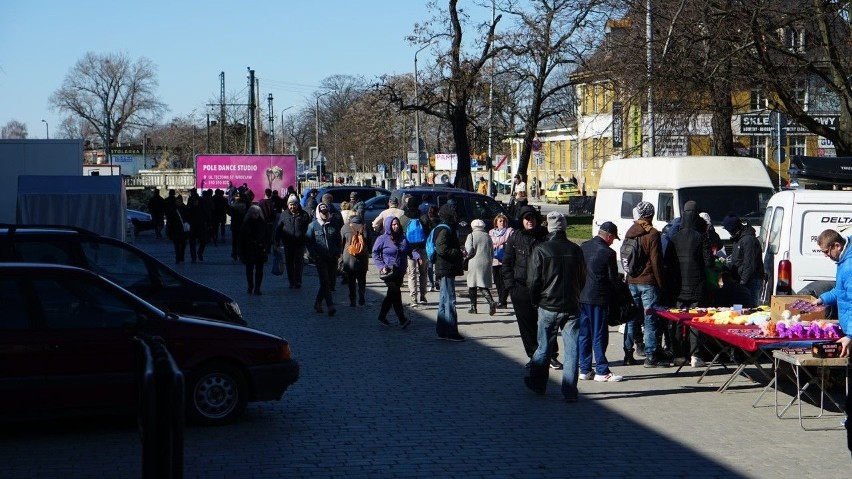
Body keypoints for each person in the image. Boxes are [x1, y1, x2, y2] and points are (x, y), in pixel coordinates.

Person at [523, 212, 586, 401]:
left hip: (548, 305)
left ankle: (538, 384)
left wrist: (535, 300)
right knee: (572, 349)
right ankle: (569, 391)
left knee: (544, 347)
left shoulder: (541, 249)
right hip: (571, 306)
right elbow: (582, 278)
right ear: (565, 227)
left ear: (549, 228)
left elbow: (533, 281)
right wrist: (576, 295)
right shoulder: (576, 250)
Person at [503, 205, 562, 369]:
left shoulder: (545, 236)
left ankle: (551, 355)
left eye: (532, 218)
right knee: (527, 325)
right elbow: (507, 263)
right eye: (526, 219)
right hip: (520, 288)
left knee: (547, 323)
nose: (530, 221)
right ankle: (534, 355)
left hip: (543, 288)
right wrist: (511, 286)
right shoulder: (515, 237)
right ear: (522, 221)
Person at [624, 201, 670, 368]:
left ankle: (628, 353)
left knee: (631, 318)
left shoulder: (630, 232)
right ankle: (650, 356)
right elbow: (656, 261)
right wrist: (660, 283)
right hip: (648, 282)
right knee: (650, 319)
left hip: (631, 280)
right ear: (651, 215)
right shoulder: (653, 234)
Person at [668, 201, 713, 367]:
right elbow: (709, 262)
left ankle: (679, 354)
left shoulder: (675, 238)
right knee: (696, 320)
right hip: (696, 286)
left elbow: (668, 262)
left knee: (679, 321)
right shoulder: (700, 237)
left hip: (679, 287)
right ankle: (696, 355)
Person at [578, 221, 624, 382]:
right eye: (613, 239)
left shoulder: (583, 246)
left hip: (582, 296)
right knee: (599, 334)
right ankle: (602, 370)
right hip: (598, 298)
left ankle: (584, 369)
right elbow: (612, 280)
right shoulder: (608, 253)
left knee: (584, 334)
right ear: (609, 236)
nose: (613, 242)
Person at [372, 216, 419, 328]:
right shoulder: (382, 239)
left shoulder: (403, 238)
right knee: (396, 293)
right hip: (388, 271)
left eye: (397, 224)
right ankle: (402, 320)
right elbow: (374, 253)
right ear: (389, 225)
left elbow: (410, 250)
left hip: (400, 271)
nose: (396, 226)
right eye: (393, 224)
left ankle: (382, 316)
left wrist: (417, 257)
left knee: (391, 295)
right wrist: (382, 266)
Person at [813, 229, 852, 359]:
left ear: (837, 245)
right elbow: (840, 291)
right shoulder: (843, 261)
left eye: (826, 251)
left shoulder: (849, 266)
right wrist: (822, 299)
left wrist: (850, 336)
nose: (826, 255)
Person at [433, 204, 466, 341]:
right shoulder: (445, 230)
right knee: (450, 300)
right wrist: (458, 252)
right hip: (446, 268)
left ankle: (442, 330)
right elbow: (442, 249)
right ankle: (451, 331)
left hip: (444, 268)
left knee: (443, 300)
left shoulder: (443, 227)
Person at [306, 202, 342, 316]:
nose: (325, 215)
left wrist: (338, 252)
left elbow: (338, 239)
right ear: (318, 213)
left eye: (326, 212)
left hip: (332, 257)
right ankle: (330, 305)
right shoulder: (312, 226)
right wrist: (313, 255)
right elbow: (308, 242)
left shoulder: (334, 224)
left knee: (329, 282)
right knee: (325, 281)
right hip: (320, 258)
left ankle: (317, 302)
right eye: (323, 213)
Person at [722, 213, 764, 307]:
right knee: (741, 307)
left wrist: (742, 283)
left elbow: (750, 264)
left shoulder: (748, 240)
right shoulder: (739, 240)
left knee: (750, 307)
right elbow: (738, 260)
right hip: (742, 280)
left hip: (750, 281)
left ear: (732, 228)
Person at [274, 195, 311, 288]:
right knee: (289, 263)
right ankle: (291, 281)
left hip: (300, 243)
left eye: (294, 204)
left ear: (297, 205)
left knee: (299, 263)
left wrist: (309, 240)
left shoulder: (304, 214)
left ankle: (298, 281)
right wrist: (276, 241)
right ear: (288, 205)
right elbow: (278, 229)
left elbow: (309, 228)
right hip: (288, 243)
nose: (292, 207)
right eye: (290, 204)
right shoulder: (284, 214)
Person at [400, 195, 429, 307]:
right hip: (422, 248)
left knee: (411, 273)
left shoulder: (404, 218)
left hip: (410, 250)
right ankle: (423, 296)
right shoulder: (423, 217)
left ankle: (413, 298)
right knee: (423, 272)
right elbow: (428, 231)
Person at [465, 219, 497, 315]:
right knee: (482, 284)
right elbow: (492, 251)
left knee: (472, 284)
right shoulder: (487, 236)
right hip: (486, 262)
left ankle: (473, 307)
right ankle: (491, 301)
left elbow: (469, 249)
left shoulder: (471, 236)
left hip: (474, 262)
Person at [239, 205, 269, 295]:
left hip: (260, 250)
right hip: (249, 250)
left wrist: (265, 246)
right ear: (250, 214)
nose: (255, 215)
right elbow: (241, 239)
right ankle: (250, 285)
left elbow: (267, 237)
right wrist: (240, 252)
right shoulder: (245, 224)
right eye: (253, 213)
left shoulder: (263, 224)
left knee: (260, 270)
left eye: (257, 213)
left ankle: (257, 287)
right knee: (249, 270)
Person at [342, 214, 369, 306]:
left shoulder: (345, 227)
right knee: (362, 279)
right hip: (363, 258)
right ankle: (361, 293)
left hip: (349, 258)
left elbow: (340, 242)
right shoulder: (365, 227)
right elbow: (369, 242)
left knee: (351, 280)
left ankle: (352, 299)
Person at [489, 213, 513, 308]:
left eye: (504, 221)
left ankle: (502, 301)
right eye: (500, 221)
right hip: (494, 260)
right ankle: (501, 300)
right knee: (497, 281)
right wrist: (501, 242)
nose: (502, 223)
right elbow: (491, 243)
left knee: (505, 281)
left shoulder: (510, 231)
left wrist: (496, 243)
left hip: (505, 259)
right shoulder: (491, 232)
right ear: (496, 223)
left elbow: (496, 242)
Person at [166, 195, 189, 264]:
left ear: (181, 202)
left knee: (183, 244)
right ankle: (178, 257)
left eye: (179, 201)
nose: (178, 203)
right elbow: (170, 220)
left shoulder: (185, 208)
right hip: (175, 229)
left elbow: (188, 217)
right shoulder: (173, 209)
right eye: (177, 202)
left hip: (183, 229)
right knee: (176, 245)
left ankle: (181, 255)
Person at [186, 193, 208, 263]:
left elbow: (206, 217)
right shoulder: (190, 209)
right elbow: (187, 218)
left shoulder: (202, 209)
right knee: (192, 243)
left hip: (200, 227)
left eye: (197, 201)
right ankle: (193, 257)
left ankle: (199, 252)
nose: (196, 202)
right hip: (192, 228)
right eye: (194, 201)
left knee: (203, 242)